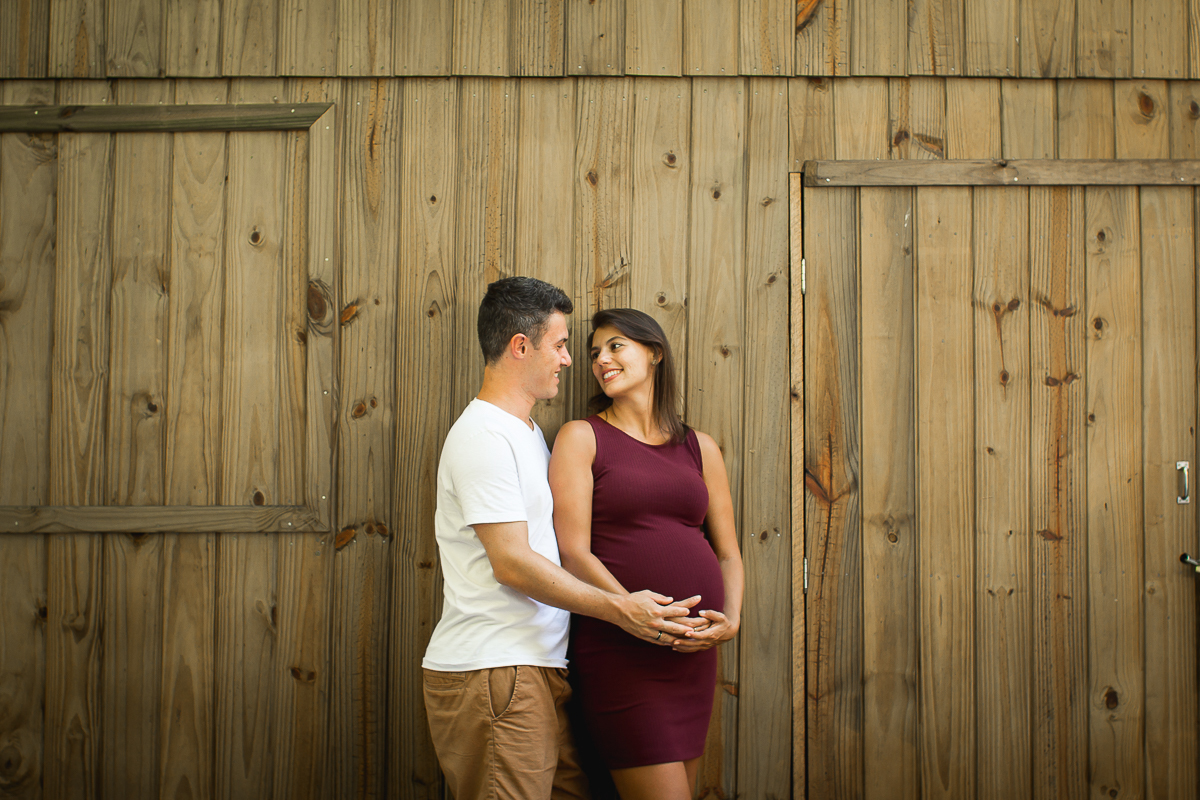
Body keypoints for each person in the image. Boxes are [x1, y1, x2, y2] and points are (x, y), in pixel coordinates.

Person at [423, 278, 702, 800]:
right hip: (496, 671)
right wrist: (621, 609)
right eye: (561, 344)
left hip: (538, 669)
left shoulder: (525, 434)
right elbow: (513, 563)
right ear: (520, 346)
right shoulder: (484, 436)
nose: (571, 360)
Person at [549, 308, 744, 800]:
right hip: (622, 650)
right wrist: (633, 613)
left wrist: (733, 619)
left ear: (654, 352)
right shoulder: (582, 437)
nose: (601, 360)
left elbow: (728, 554)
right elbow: (574, 553)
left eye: (616, 346)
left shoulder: (700, 447)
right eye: (594, 353)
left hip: (691, 653)